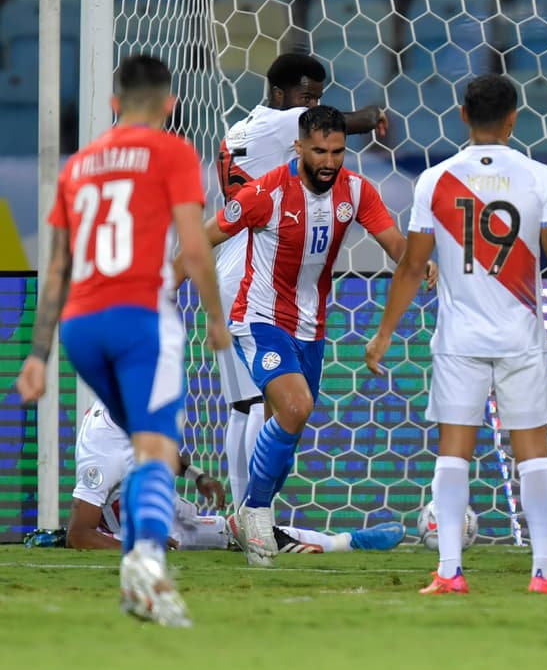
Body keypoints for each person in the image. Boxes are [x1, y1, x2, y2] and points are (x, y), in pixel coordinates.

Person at [364, 74, 547, 595]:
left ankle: (449, 571)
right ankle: (544, 572)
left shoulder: (435, 180)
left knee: (453, 453)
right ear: (513, 118)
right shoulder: (539, 177)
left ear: (463, 115)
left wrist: (384, 333)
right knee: (532, 453)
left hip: (459, 340)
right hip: (520, 337)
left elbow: (413, 265)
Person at [14, 54, 228, 627]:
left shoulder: (78, 165)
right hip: (140, 321)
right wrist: (214, 317)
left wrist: (38, 355)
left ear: (113, 104)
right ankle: (147, 570)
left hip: (81, 327)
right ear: (170, 105)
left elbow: (56, 266)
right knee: (155, 447)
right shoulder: (173, 152)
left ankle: (140, 568)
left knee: (139, 442)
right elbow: (193, 246)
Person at [204, 104, 406, 567]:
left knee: (288, 433)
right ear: (298, 147)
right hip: (258, 317)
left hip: (311, 326)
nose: (329, 162)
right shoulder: (266, 191)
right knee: (295, 407)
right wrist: (165, 292)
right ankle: (256, 513)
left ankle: (245, 515)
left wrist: (425, 264)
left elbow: (397, 246)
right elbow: (205, 237)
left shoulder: (356, 190)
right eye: (319, 151)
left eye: (337, 151)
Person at [214, 53, 389, 508]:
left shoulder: (238, 130)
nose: (312, 107)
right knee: (262, 405)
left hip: (230, 264)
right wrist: (375, 114)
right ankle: (252, 514)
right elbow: (347, 122)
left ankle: (243, 512)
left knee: (244, 405)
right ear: (279, 94)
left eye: (317, 98)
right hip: (256, 266)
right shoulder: (285, 123)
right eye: (306, 97)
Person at [68, 400, 405, 554]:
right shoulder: (102, 452)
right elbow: (78, 534)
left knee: (242, 530)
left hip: (167, 510)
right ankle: (348, 542)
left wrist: (196, 475)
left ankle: (347, 541)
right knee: (245, 533)